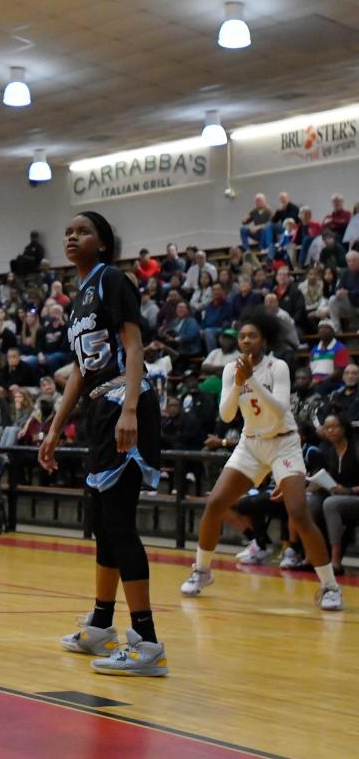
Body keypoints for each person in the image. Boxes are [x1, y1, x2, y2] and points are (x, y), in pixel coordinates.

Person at [40, 212, 168, 678]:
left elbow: (133, 348)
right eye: (68, 230)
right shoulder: (78, 299)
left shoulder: (113, 279)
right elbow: (79, 370)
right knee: (102, 523)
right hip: (98, 409)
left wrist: (131, 408)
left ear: (103, 242)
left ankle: (147, 641)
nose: (72, 236)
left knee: (119, 522)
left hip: (124, 404)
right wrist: (56, 427)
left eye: (83, 231)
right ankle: (100, 624)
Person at [180, 308, 343, 611]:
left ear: (264, 340)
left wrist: (251, 381)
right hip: (251, 444)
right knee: (215, 502)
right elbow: (227, 414)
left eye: (252, 336)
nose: (245, 341)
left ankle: (330, 587)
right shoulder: (231, 370)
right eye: (242, 336)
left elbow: (280, 409)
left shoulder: (277, 367)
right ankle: (201, 571)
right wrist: (241, 380)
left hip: (283, 444)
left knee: (298, 511)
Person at [308, 413, 359, 574]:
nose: (330, 430)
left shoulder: (356, 449)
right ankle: (312, 557)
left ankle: (335, 562)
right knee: (311, 501)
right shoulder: (327, 452)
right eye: (326, 427)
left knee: (331, 504)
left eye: (334, 426)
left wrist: (349, 490)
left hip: (354, 496)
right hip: (338, 495)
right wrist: (316, 485)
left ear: (343, 429)